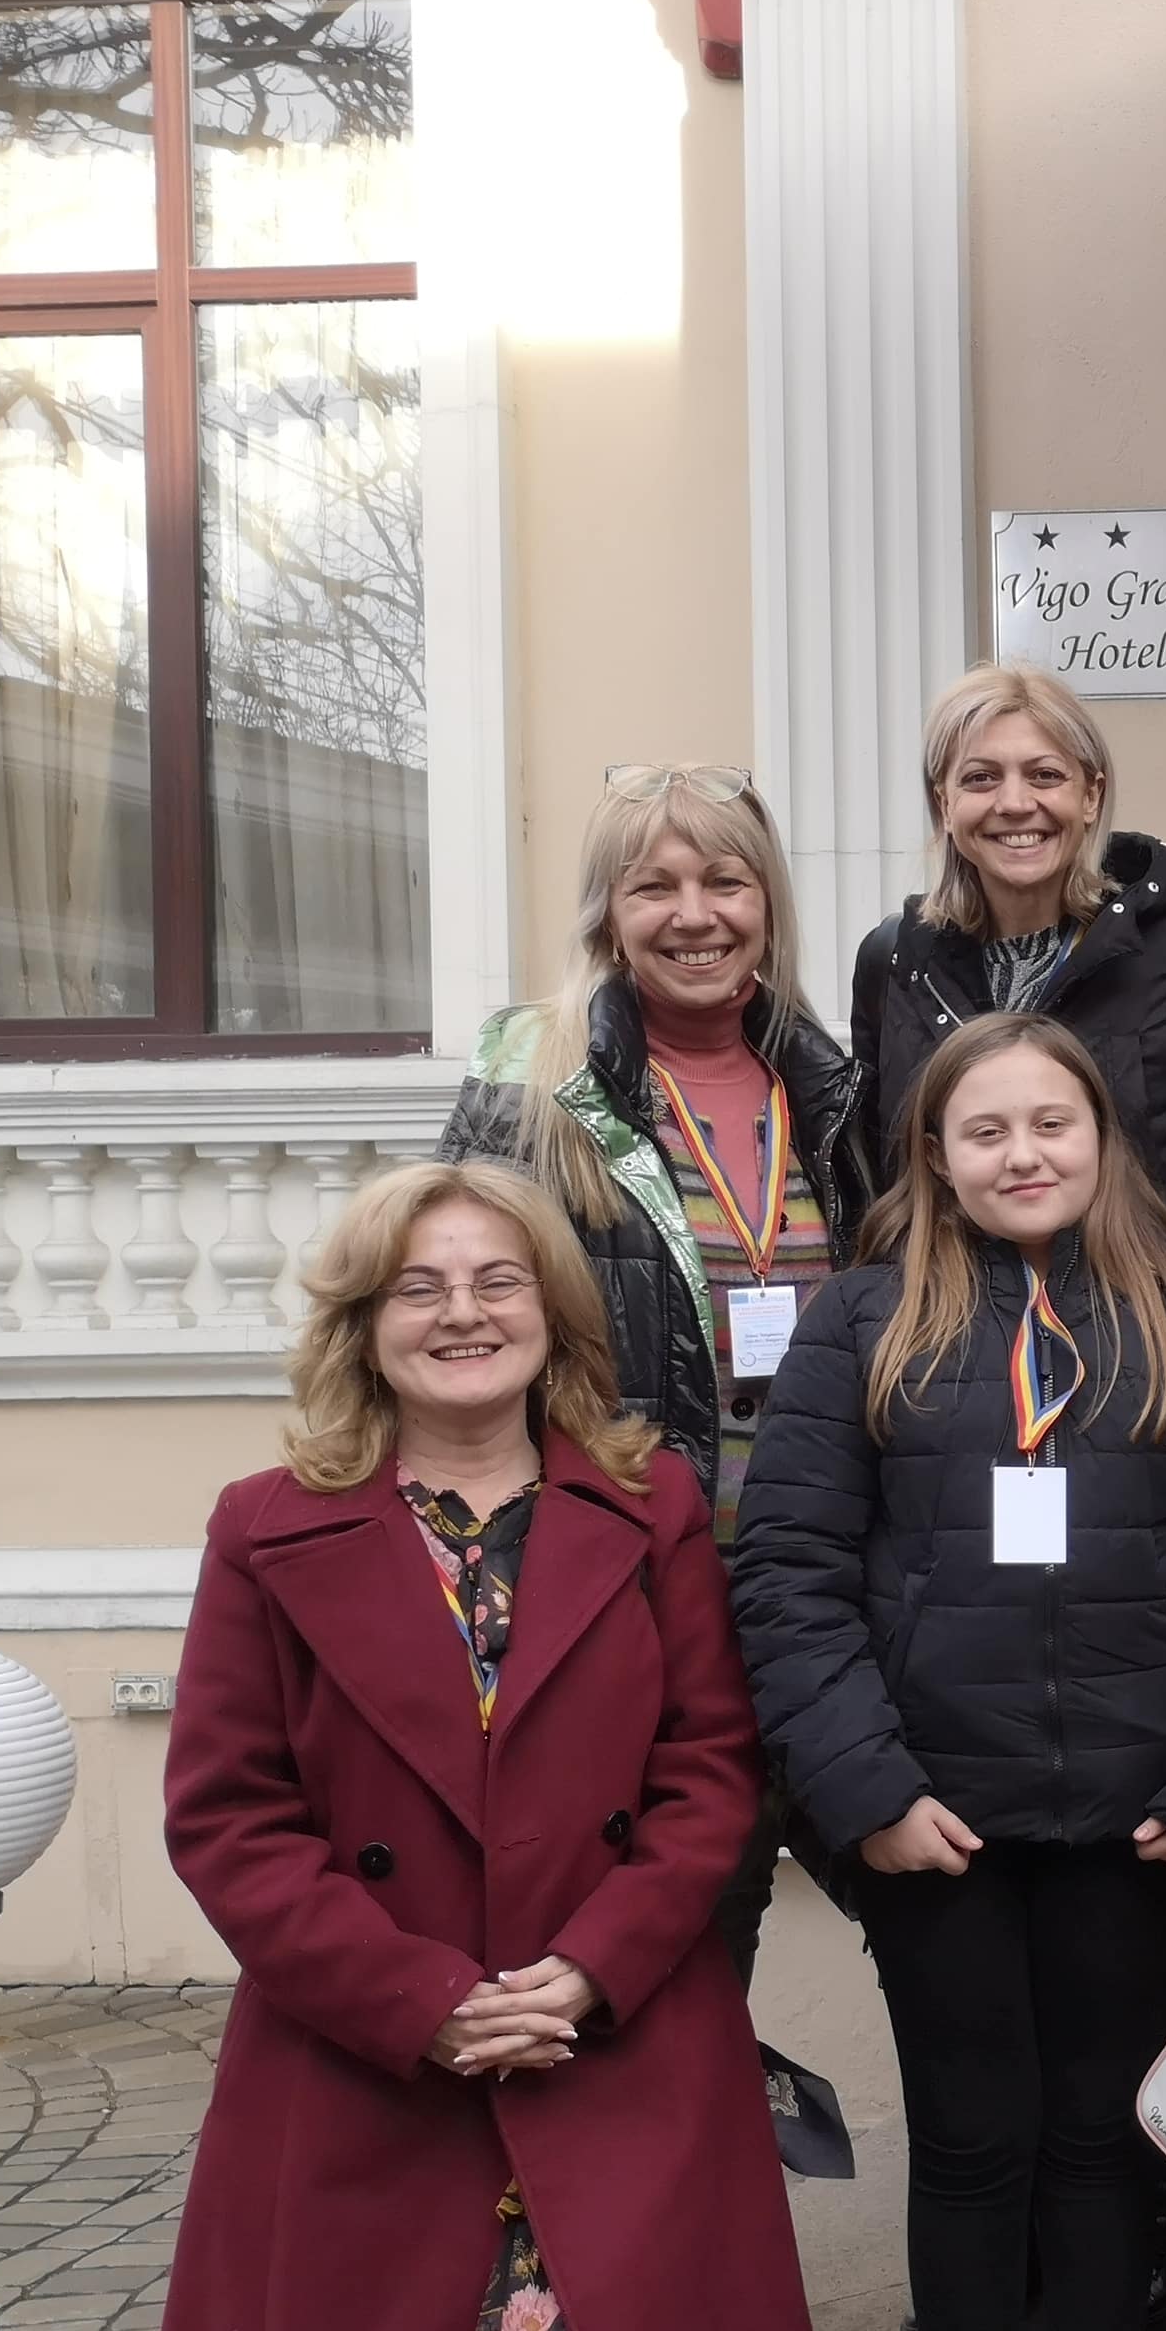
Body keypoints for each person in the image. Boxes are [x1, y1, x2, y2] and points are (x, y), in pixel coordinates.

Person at [145, 1162, 813, 2331]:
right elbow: (230, 1816)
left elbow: (710, 1772)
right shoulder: (265, 1527)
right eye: (421, 1288)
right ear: (364, 1326)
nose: (463, 1313)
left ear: (552, 1313)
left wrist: (590, 1967)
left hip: (598, 2026)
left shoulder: (649, 1503)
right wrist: (427, 2001)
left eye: (497, 1281)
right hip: (377, 2047)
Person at [730, 1014, 1166, 2331]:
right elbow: (789, 1572)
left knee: (1100, 2145)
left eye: (1052, 1121)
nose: (1022, 1152)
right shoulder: (863, 1325)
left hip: (1132, 1824)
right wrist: (863, 1788)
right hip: (940, 1823)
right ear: (934, 1154)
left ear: (1103, 1138)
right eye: (984, 1129)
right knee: (974, 2145)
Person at [438, 763, 867, 1985]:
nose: (694, 915)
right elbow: (452, 1326)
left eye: (724, 882)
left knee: (948, 1945)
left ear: (766, 902)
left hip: (825, 1602)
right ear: (607, 914)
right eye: (653, 887)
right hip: (637, 1600)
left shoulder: (836, 1089)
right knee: (676, 1958)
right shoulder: (535, 1086)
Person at [851, 663, 1166, 1338]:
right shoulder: (894, 965)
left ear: (1092, 794)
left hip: (1158, 1358)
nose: (1014, 803)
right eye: (980, 778)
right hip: (951, 1360)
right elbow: (887, 1188)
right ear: (944, 803)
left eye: (1044, 775)